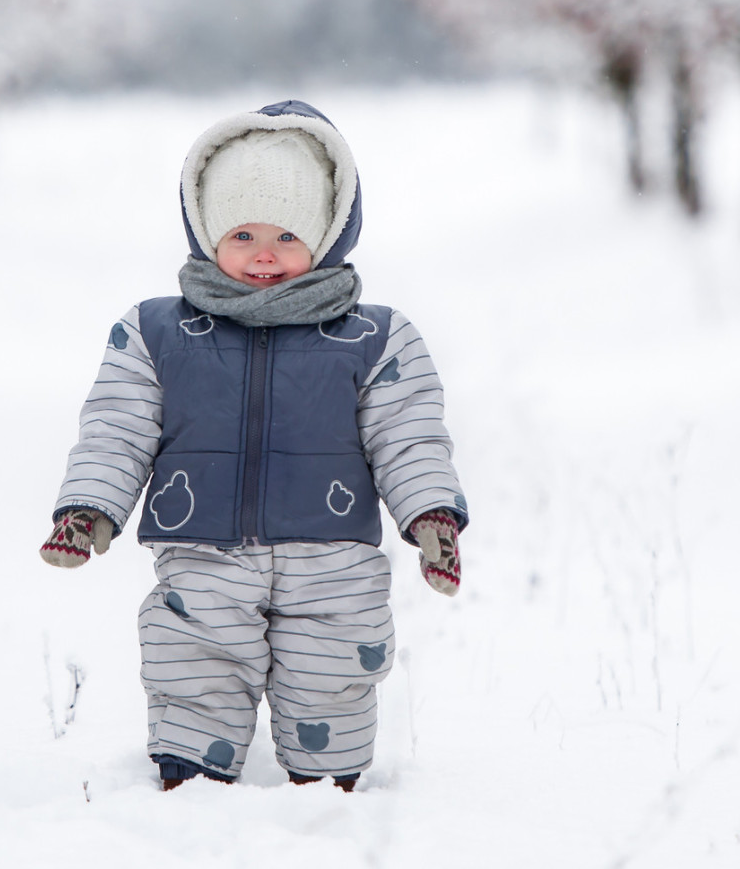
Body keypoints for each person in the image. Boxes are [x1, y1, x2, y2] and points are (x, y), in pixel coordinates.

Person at [39, 100, 468, 792]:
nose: (264, 254)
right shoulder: (156, 331)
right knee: (192, 664)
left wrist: (430, 515)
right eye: (241, 232)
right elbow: (116, 425)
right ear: (207, 231)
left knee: (333, 674)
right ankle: (190, 786)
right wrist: (89, 507)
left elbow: (409, 432)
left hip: (334, 560)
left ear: (327, 236)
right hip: (203, 553)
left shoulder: (376, 338)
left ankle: (331, 798)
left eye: (287, 234)